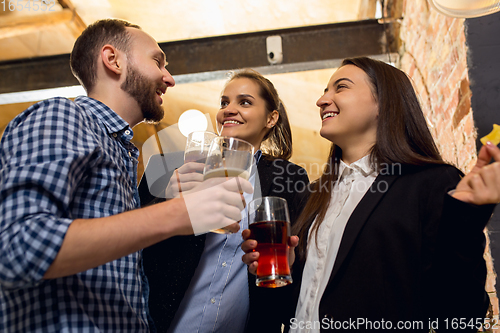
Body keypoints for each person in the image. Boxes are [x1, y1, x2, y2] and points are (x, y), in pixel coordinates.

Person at [0, 19, 252, 332]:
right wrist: (179, 213)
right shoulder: (63, 116)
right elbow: (15, 248)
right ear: (113, 59)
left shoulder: (122, 152)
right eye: (157, 61)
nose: (169, 78)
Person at [242, 57, 499, 332]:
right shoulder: (311, 195)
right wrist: (286, 273)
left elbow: (461, 316)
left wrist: (464, 223)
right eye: (324, 91)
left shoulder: (430, 183)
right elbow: (299, 311)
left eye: (340, 87)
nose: (322, 100)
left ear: (383, 103)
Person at [143, 69, 310, 332]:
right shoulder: (173, 166)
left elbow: (294, 269)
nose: (228, 110)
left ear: (271, 118)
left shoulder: (289, 177)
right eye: (224, 102)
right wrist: (168, 200)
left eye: (244, 102)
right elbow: (132, 248)